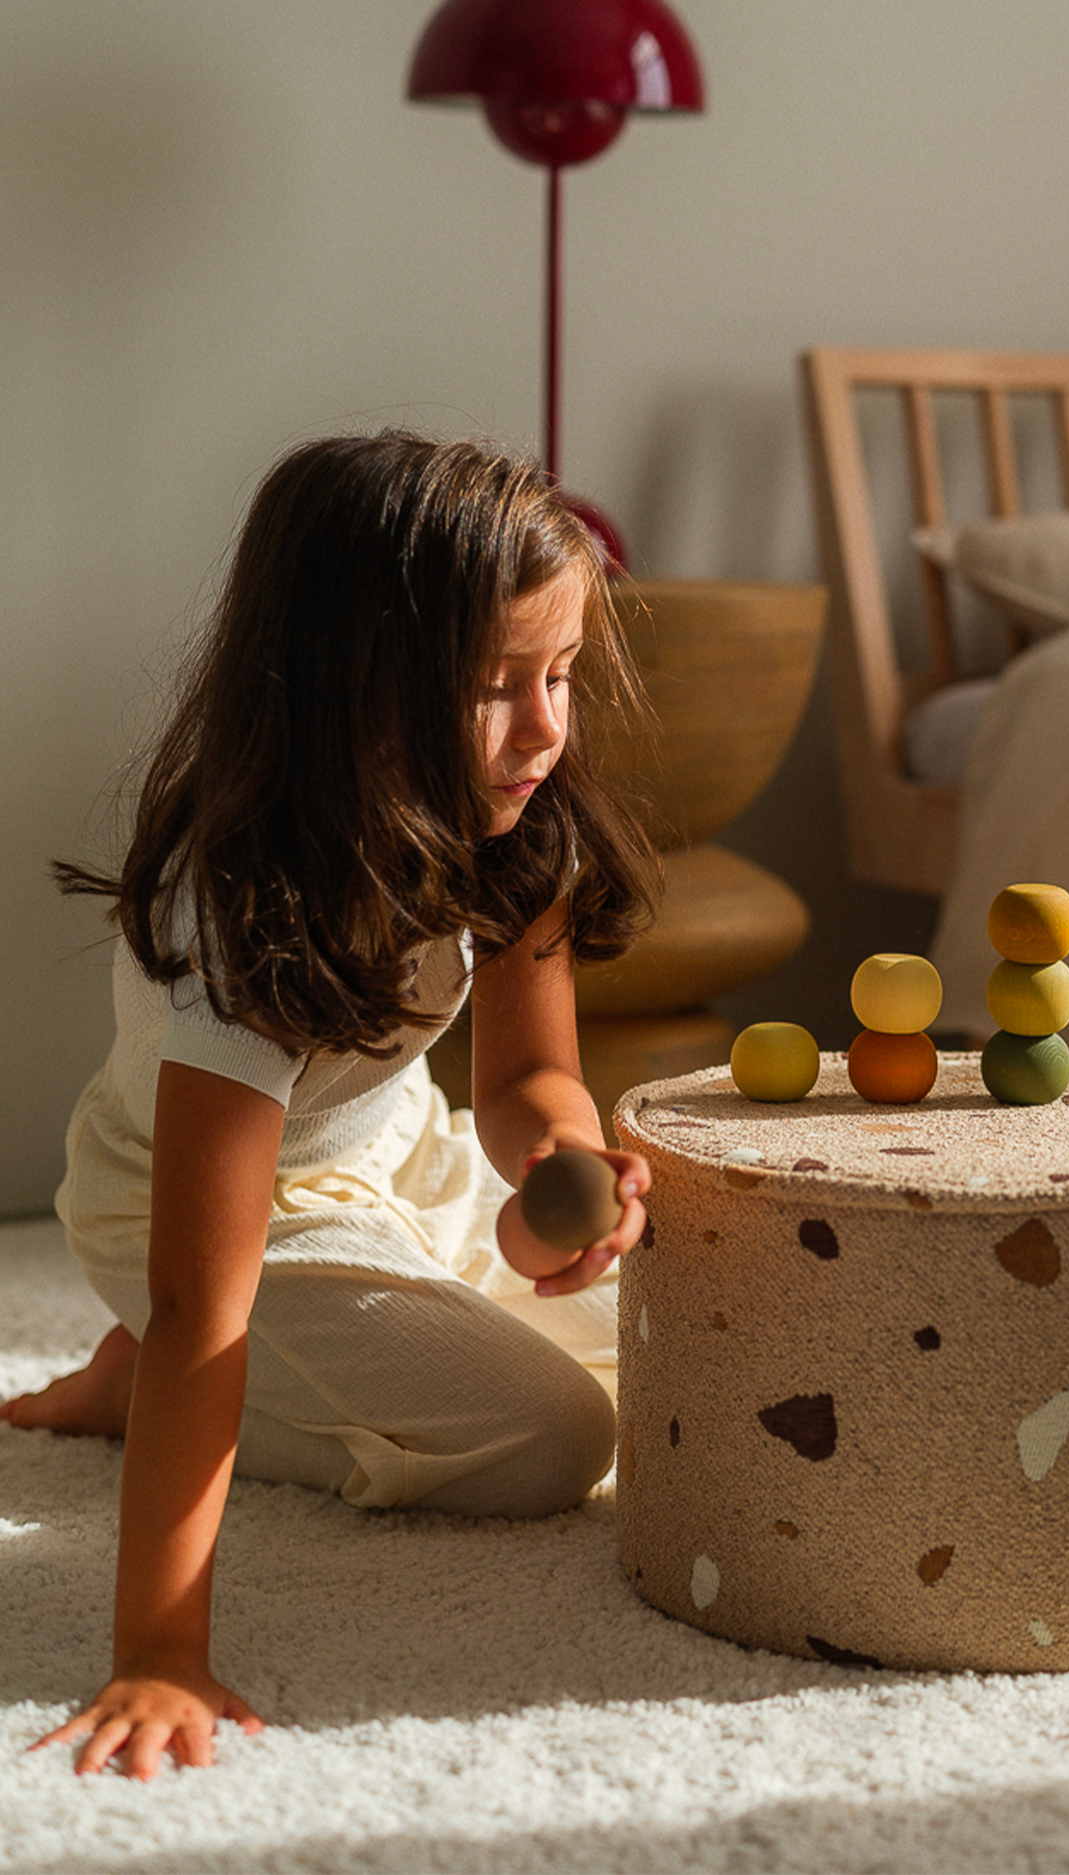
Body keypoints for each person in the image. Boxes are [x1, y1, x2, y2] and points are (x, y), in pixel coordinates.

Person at [0, 433, 658, 1780]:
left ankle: (156, 1371)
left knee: (678, 1336)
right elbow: (206, 1303)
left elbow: (524, 1084)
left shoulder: (515, 818)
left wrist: (561, 1173)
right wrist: (158, 1648)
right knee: (555, 1441)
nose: (545, 729)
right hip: (201, 1219)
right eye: (495, 687)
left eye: (559, 676)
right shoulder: (246, 903)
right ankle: (135, 1382)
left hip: (394, 1160)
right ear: (352, 686)